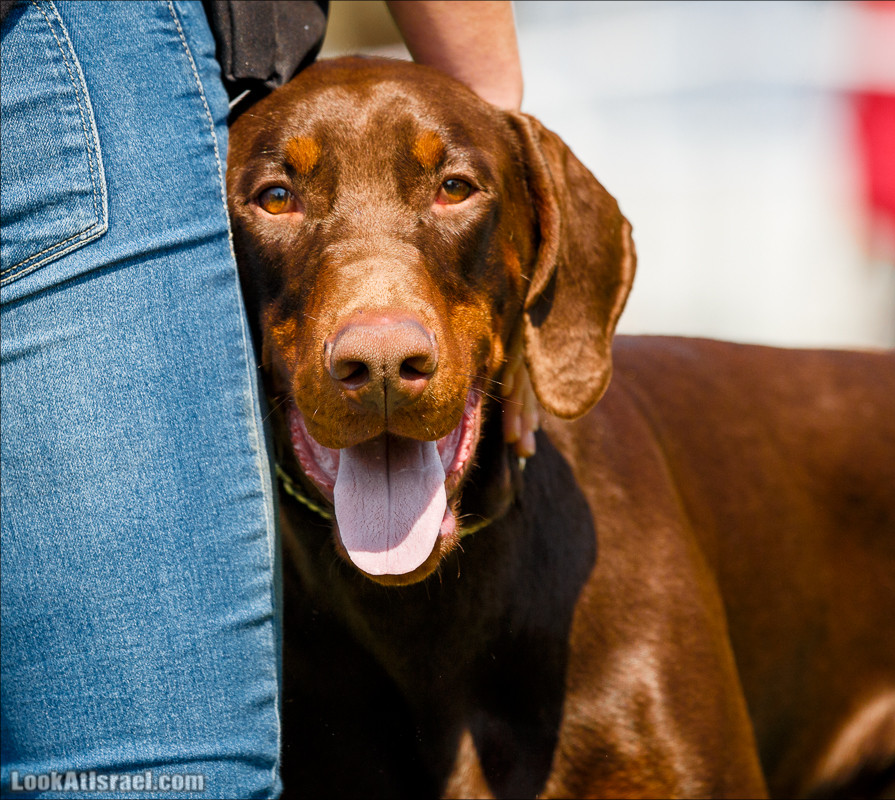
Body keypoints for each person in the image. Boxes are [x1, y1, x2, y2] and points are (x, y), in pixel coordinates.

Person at [0, 2, 529, 797]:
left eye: (454, 187)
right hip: (78, 52)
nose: (378, 347)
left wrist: (505, 151)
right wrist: (488, 92)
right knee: (150, 772)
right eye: (277, 199)